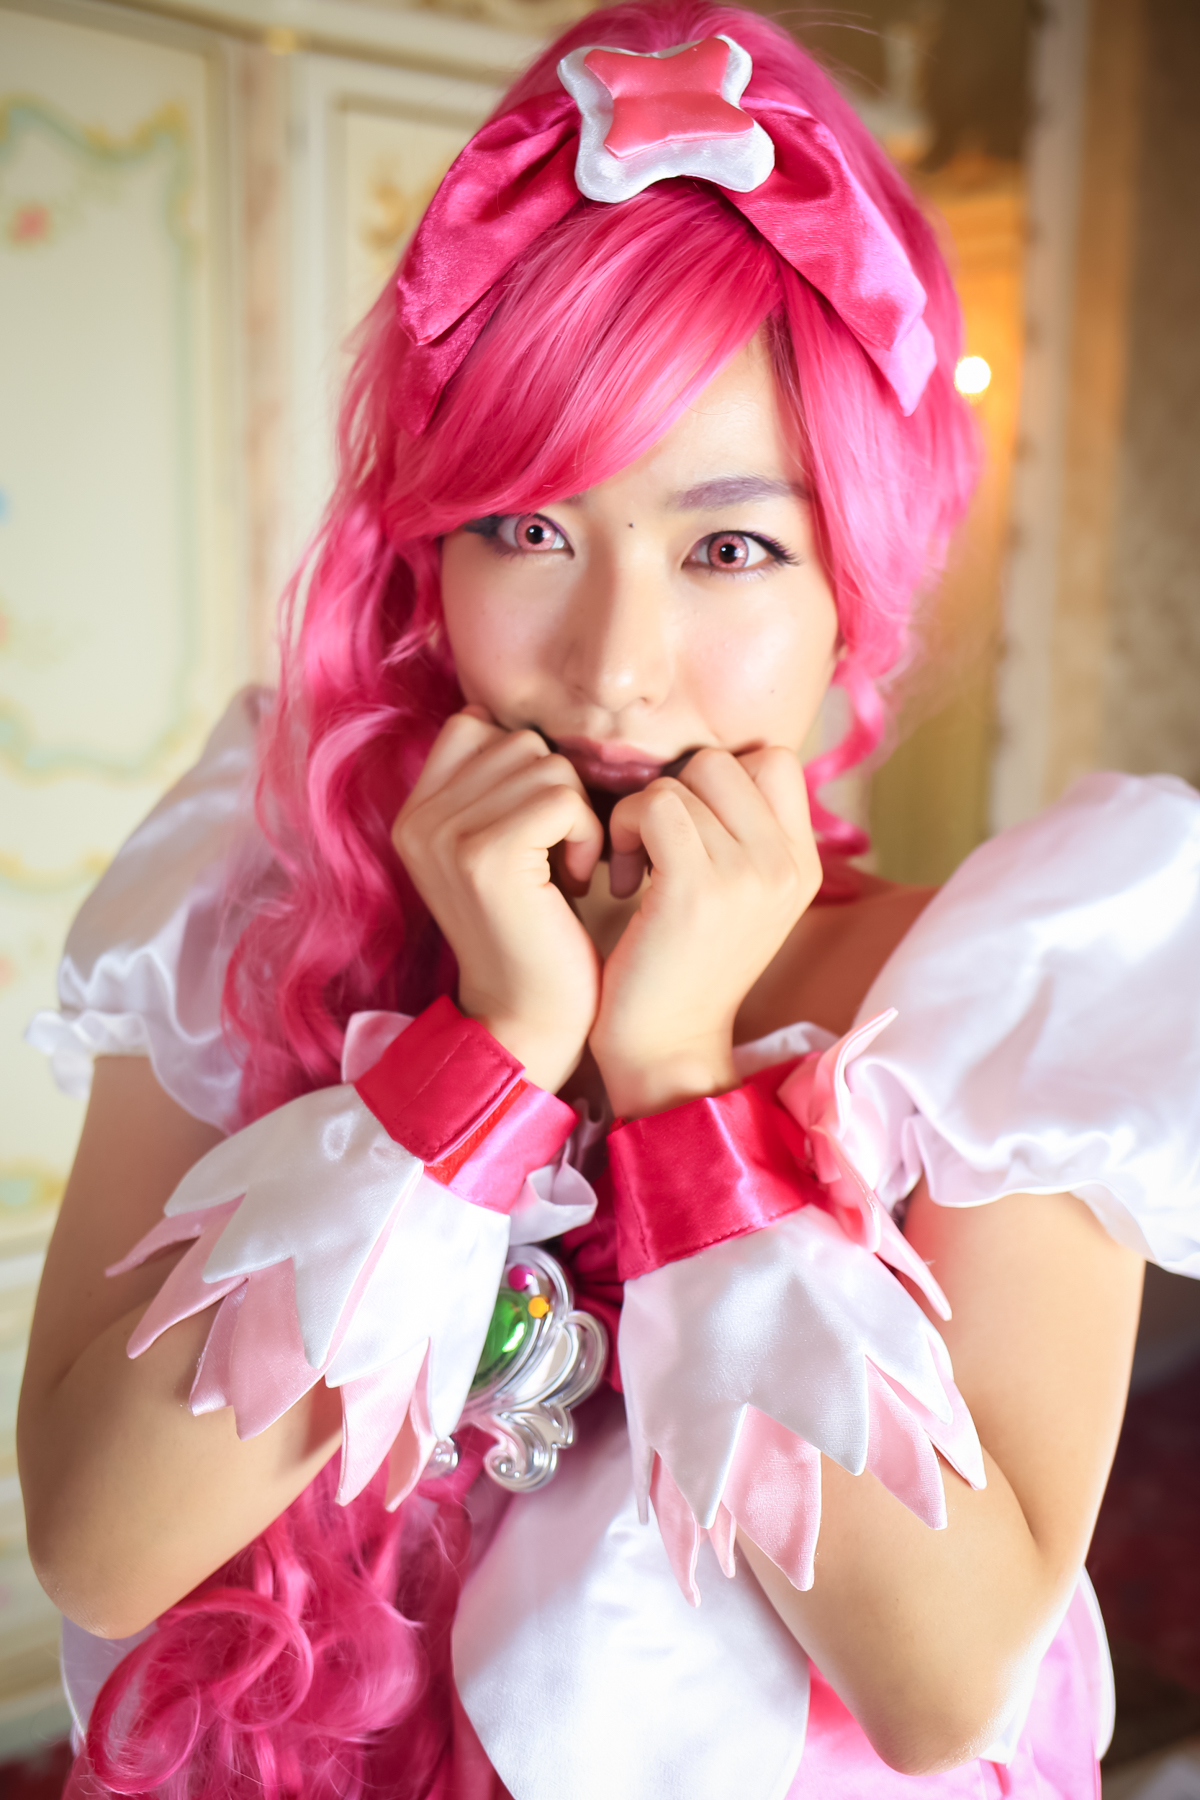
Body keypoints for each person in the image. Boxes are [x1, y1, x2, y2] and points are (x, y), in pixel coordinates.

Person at [16, 3, 1200, 1796]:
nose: (613, 667)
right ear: (427, 553)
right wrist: (482, 1060)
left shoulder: (988, 1011)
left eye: (730, 546)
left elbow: (941, 1687)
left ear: (853, 592)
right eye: (529, 529)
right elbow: (99, 1548)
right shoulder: (259, 909)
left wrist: (675, 1081)